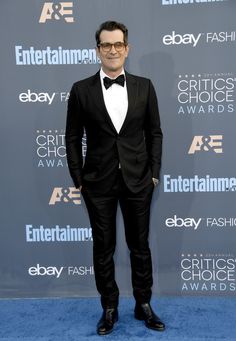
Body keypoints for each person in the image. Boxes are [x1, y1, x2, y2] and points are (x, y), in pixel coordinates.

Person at [66, 20, 165, 335]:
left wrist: (153, 174)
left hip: (138, 179)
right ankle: (109, 307)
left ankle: (143, 304)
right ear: (98, 50)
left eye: (118, 44)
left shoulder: (144, 86)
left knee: (140, 246)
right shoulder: (81, 90)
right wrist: (78, 178)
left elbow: (155, 133)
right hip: (98, 182)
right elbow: (71, 137)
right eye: (106, 45)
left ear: (127, 48)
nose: (112, 50)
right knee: (103, 247)